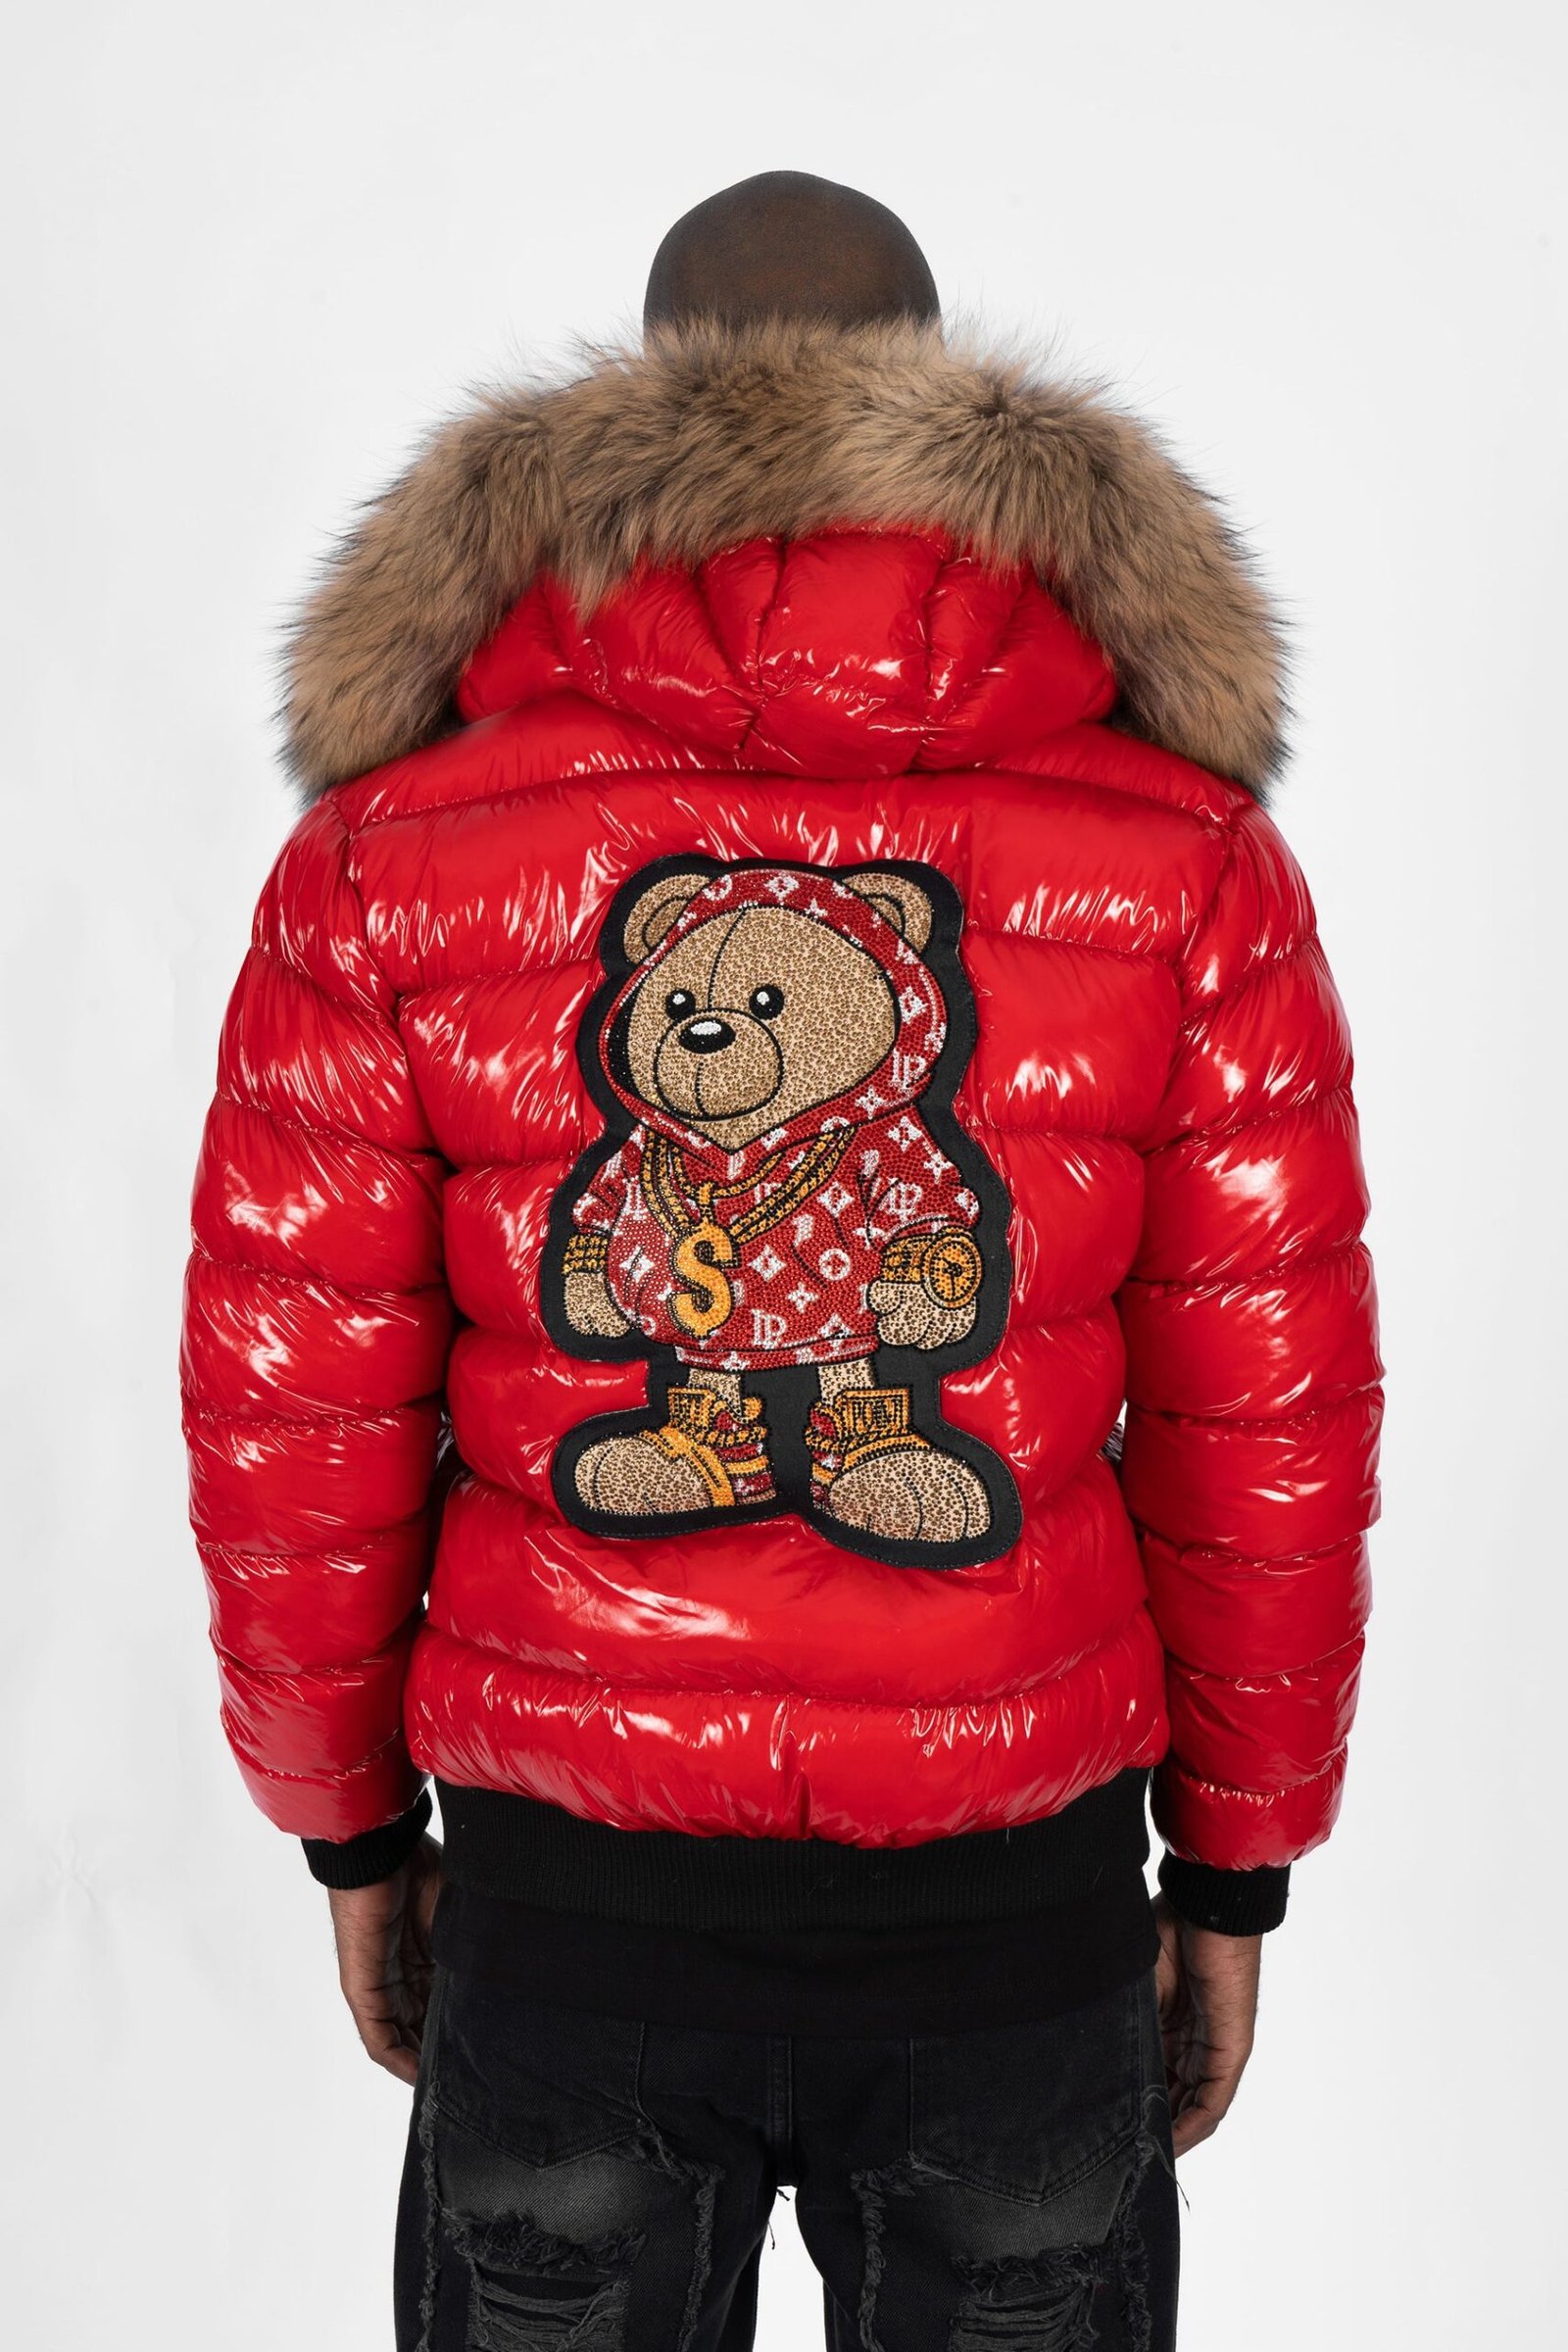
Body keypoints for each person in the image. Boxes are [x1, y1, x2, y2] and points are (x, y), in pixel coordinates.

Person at [181, 171, 1382, 2351]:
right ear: (946, 410)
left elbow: (293, 1398)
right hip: (1014, 1914)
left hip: (569, 1907)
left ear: (645, 412)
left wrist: (347, 1831)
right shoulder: (1188, 863)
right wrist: (1234, 1860)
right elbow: (1264, 1415)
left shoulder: (390, 857)